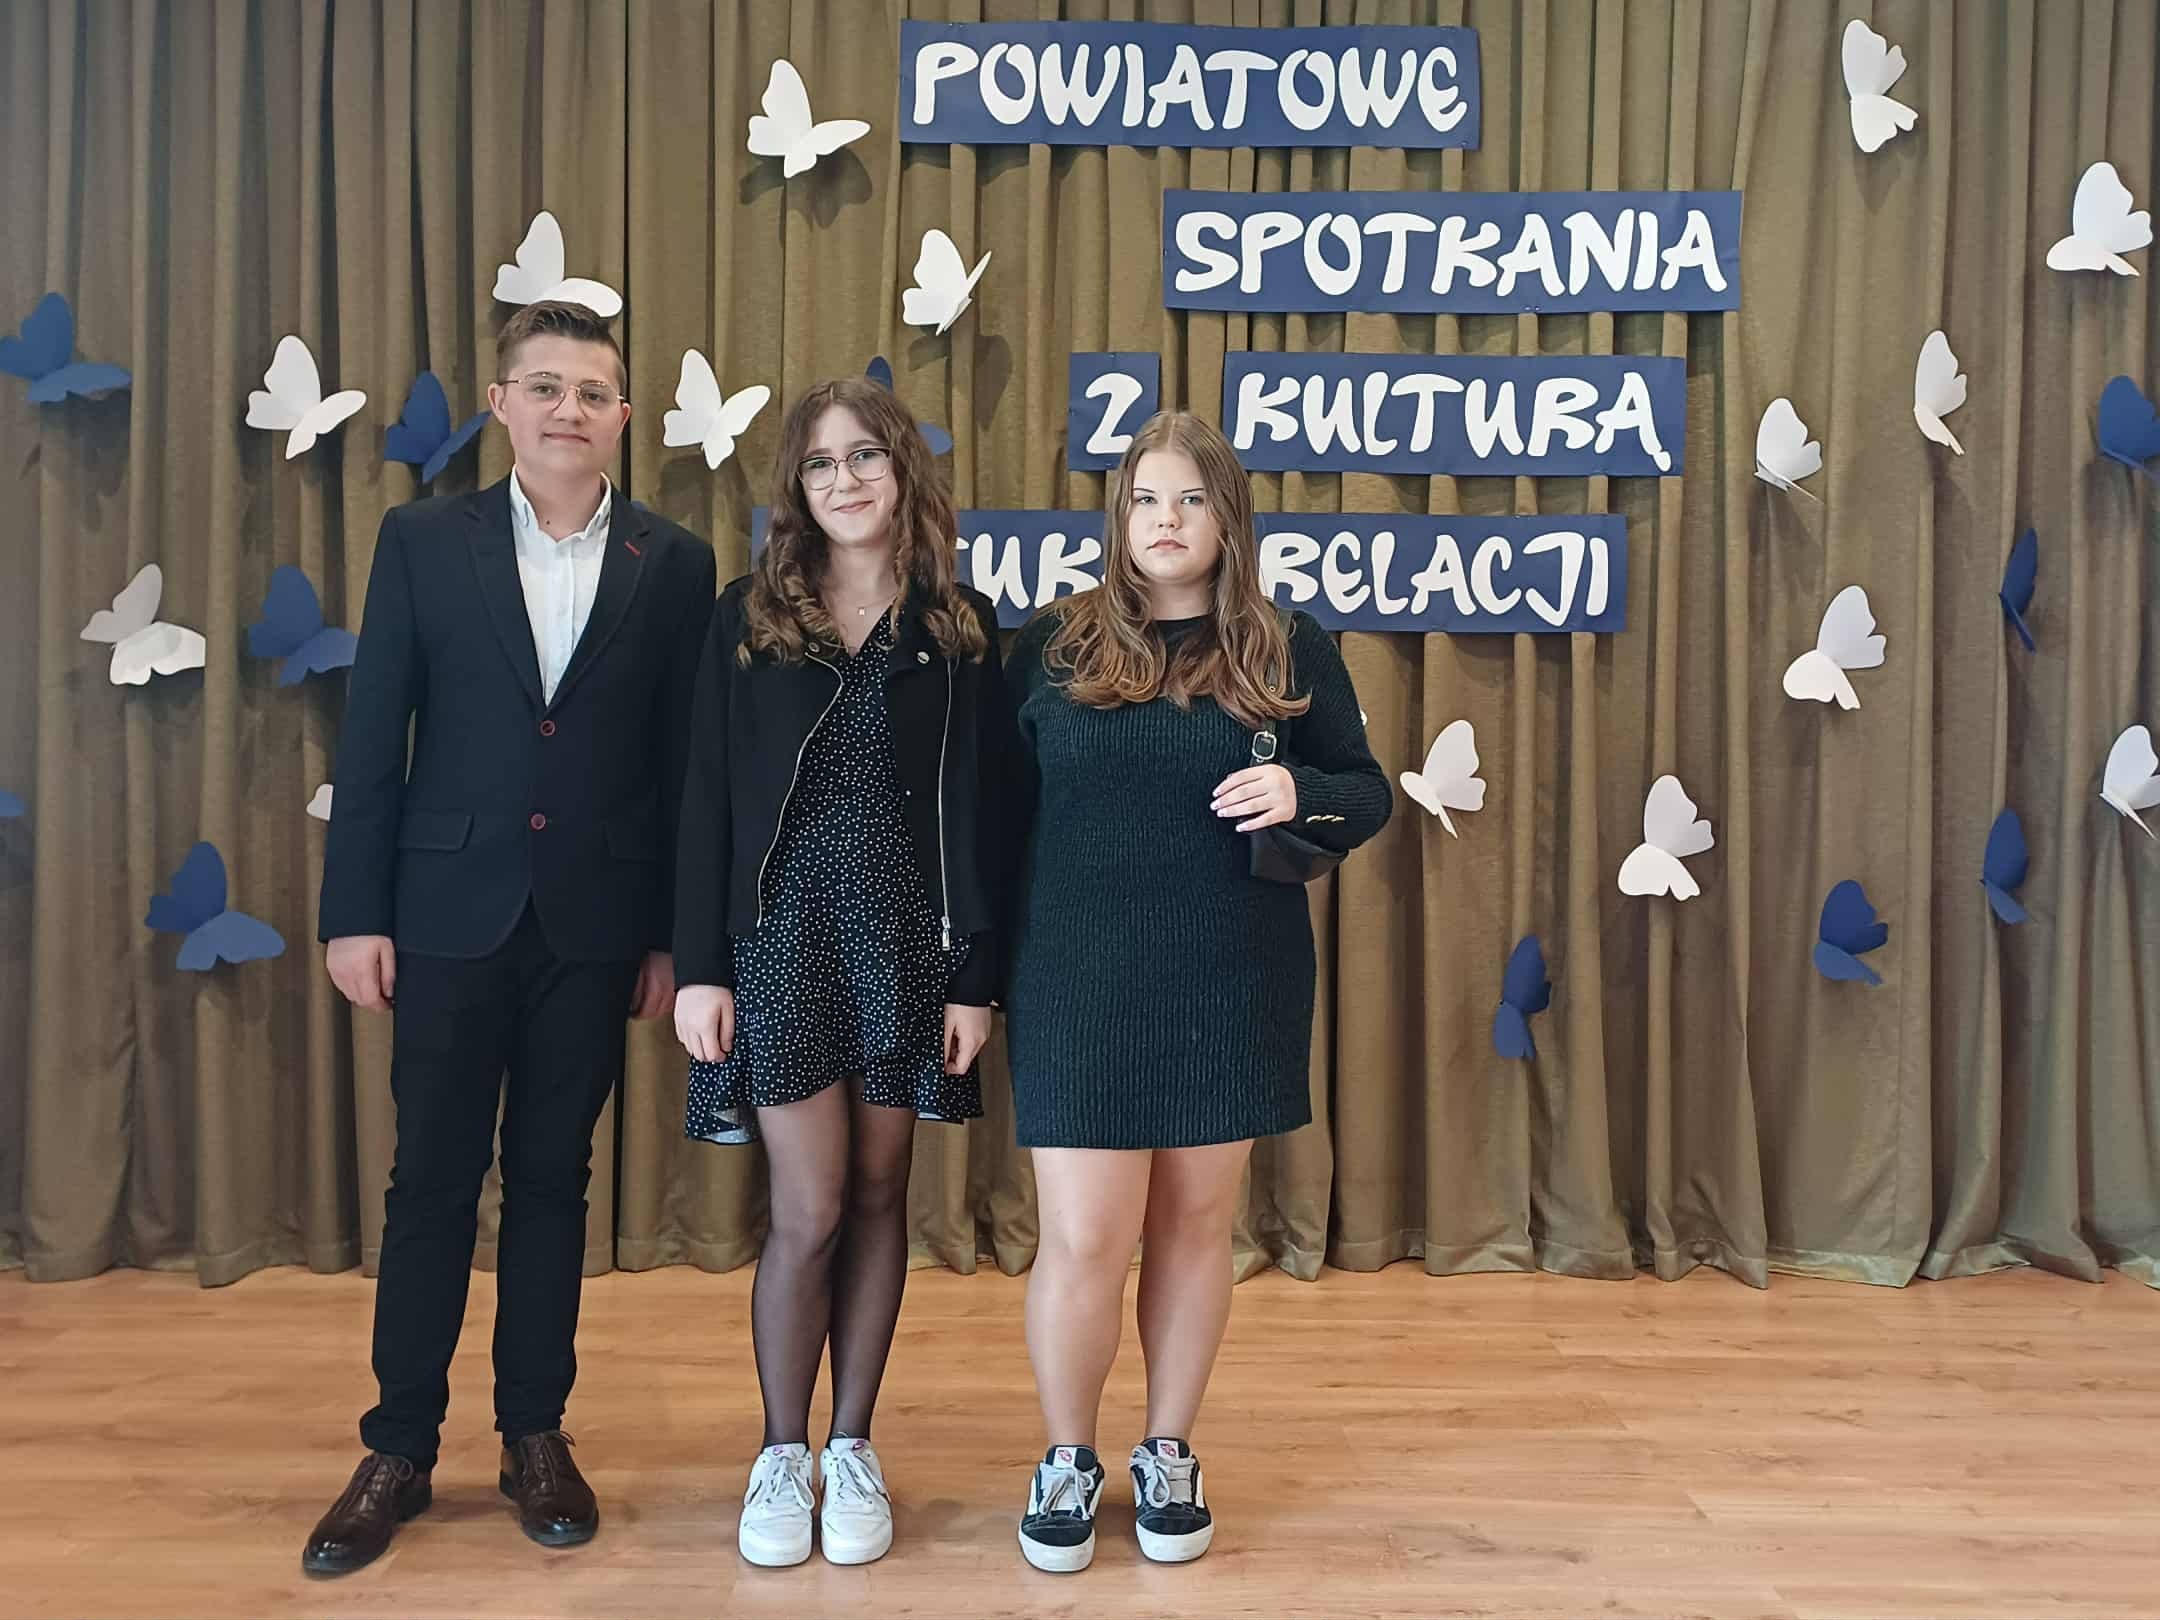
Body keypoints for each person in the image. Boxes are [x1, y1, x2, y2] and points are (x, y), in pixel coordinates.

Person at [304, 300, 716, 1576]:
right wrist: (354, 912)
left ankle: (534, 1432)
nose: (567, 410)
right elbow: (376, 733)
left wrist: (670, 938)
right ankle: (398, 1446)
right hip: (444, 916)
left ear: (623, 417)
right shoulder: (425, 539)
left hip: (594, 925)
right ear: (503, 404)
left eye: (592, 391)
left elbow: (682, 767)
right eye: (544, 387)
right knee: (429, 1182)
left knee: (552, 1182)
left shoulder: (674, 560)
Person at [1001, 411, 1391, 1573]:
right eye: (1145, 499)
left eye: (1191, 499)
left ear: (1229, 518)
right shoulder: (1052, 647)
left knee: (1192, 1227)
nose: (1166, 520)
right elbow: (988, 822)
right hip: (1075, 980)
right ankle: (1067, 1457)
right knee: (1084, 1235)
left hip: (1231, 977)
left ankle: (1168, 1450)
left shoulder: (1286, 646)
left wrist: (1302, 793)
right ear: (1118, 517)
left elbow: (1364, 793)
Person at [671, 377, 1010, 1568]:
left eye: (865, 456)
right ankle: (781, 1452)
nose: (845, 480)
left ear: (902, 470)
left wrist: (975, 979)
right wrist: (700, 968)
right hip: (782, 944)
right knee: (807, 1208)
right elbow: (704, 796)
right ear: (796, 488)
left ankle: (853, 1444)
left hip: (907, 947)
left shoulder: (959, 626)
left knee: (878, 1197)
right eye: (820, 463)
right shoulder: (748, 617)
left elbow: (984, 813)